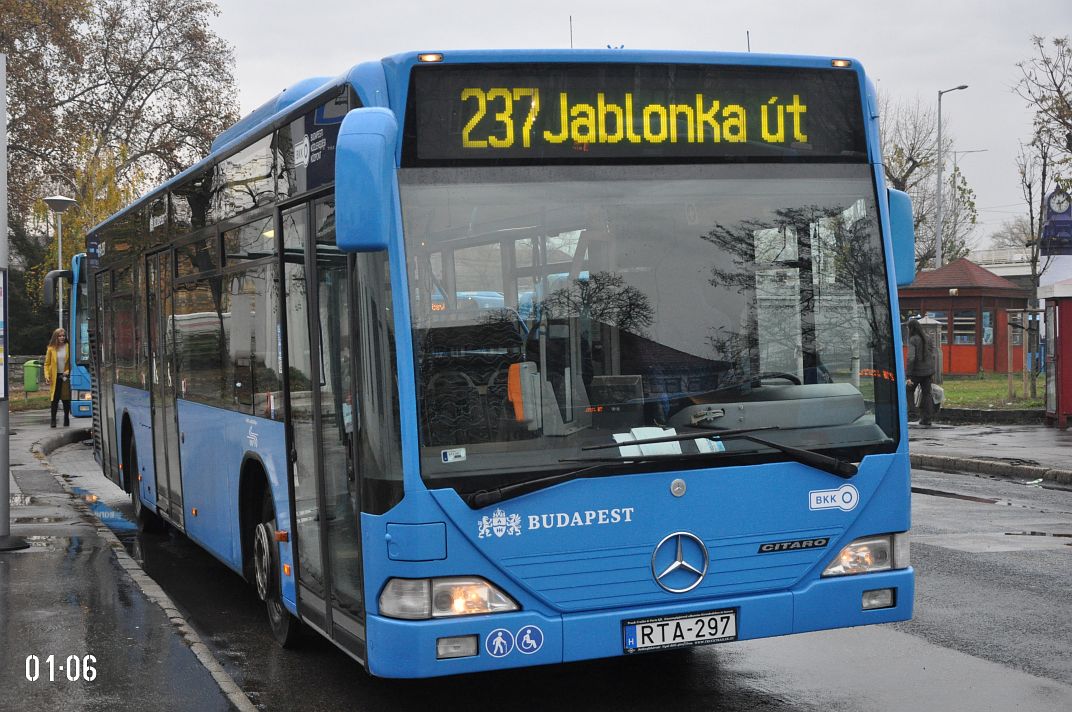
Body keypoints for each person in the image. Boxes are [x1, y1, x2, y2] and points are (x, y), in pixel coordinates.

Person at [906, 319, 936, 427]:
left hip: (916, 372)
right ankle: (927, 419)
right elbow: (933, 355)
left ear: (911, 328)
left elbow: (911, 358)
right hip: (928, 372)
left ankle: (912, 413)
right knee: (927, 394)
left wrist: (908, 375)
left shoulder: (913, 340)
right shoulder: (928, 338)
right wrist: (932, 372)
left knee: (908, 390)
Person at [43, 327, 72, 428]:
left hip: (65, 376)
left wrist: (68, 371)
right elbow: (46, 364)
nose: (62, 337)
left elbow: (71, 362)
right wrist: (47, 375)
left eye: (63, 335)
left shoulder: (69, 346)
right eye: (60, 336)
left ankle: (66, 418)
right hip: (54, 377)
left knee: (66, 399)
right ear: (56, 337)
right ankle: (53, 420)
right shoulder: (51, 348)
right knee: (54, 399)